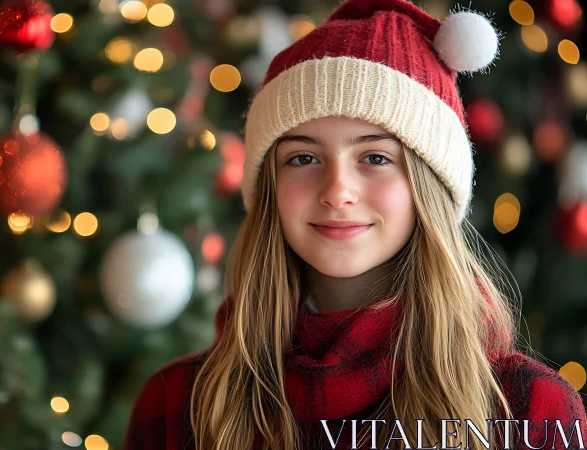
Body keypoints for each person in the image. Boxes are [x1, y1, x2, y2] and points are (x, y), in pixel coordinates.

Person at [123, 0, 587, 449]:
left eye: (375, 157)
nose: (337, 190)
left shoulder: (526, 411)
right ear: (270, 190)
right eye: (303, 158)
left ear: (428, 188)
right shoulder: (176, 404)